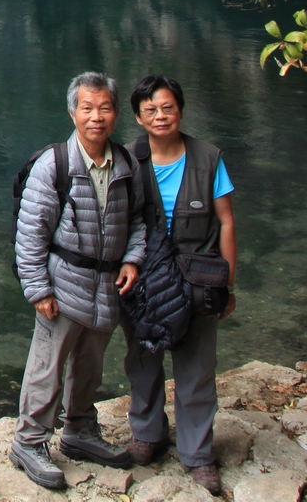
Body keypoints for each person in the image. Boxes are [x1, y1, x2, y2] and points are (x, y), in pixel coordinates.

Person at [12, 72, 147, 491]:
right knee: (47, 367)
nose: (96, 117)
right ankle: (29, 441)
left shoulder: (126, 164)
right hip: (64, 283)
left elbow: (139, 220)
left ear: (116, 113)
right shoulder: (54, 165)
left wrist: (132, 259)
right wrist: (38, 289)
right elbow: (31, 233)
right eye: (87, 108)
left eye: (104, 108)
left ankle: (80, 430)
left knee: (90, 364)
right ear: (73, 113)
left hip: (107, 286)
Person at [123, 75, 237, 495]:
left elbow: (226, 222)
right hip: (143, 280)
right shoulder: (127, 160)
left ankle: (198, 453)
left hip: (197, 279)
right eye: (150, 110)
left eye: (167, 107)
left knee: (197, 367)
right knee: (143, 360)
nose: (160, 116)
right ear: (139, 118)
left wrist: (229, 284)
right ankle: (147, 434)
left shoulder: (208, 159)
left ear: (181, 111)